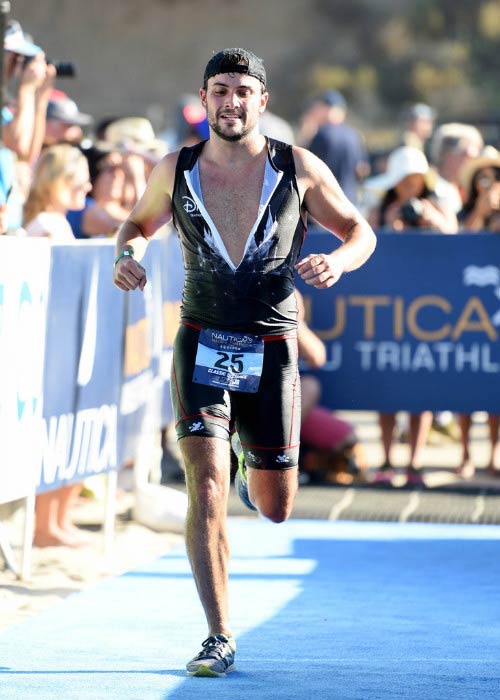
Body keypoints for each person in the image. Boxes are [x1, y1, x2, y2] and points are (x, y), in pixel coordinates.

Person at [113, 47, 376, 677]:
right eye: (219, 90)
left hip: (272, 345)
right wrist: (126, 255)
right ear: (204, 100)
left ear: (262, 101)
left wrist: (336, 263)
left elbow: (360, 232)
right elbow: (135, 224)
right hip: (201, 338)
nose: (230, 102)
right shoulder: (175, 169)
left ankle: (251, 466)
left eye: (242, 91)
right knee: (203, 487)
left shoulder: (299, 167)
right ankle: (219, 633)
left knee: (276, 503)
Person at [365, 145, 457, 486]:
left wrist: (431, 219)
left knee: (422, 385)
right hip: (388, 303)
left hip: (428, 307)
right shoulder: (380, 208)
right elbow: (367, 241)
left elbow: (455, 238)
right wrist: (391, 224)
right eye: (404, 180)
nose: (409, 187)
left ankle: (416, 461)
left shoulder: (437, 204)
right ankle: (387, 458)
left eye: (415, 180)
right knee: (387, 385)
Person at [22, 143, 92, 545]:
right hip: (49, 346)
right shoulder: (45, 226)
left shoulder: (56, 222)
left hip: (64, 343)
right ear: (56, 180)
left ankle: (56, 520)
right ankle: (43, 524)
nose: (85, 183)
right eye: (77, 175)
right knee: (52, 431)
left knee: (68, 430)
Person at [454, 147, 500, 477]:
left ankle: (494, 454)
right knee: (467, 386)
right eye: (484, 177)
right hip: (466, 309)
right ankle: (466, 453)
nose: (490, 183)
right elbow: (460, 244)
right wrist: (482, 214)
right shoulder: (464, 212)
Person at [304, 90, 369, 204]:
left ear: (325, 109)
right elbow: (362, 170)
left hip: (325, 203)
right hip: (350, 200)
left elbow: (304, 167)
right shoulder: (354, 135)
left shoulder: (321, 135)